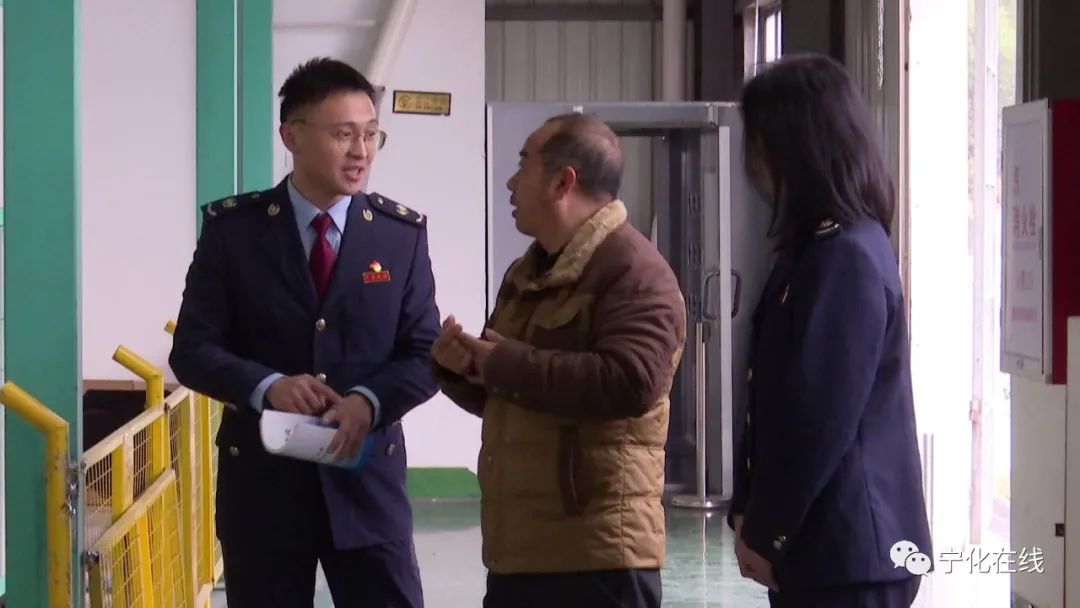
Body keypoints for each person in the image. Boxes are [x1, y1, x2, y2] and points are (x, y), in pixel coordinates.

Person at [169, 57, 439, 607]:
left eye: (371, 134)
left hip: (368, 488)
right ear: (291, 136)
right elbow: (193, 349)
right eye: (343, 134)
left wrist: (368, 402)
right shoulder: (234, 233)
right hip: (264, 491)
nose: (361, 151)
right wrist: (267, 386)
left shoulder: (398, 236)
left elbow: (424, 351)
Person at [430, 113, 687, 608]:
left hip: (597, 557)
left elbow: (630, 382)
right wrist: (462, 370)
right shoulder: (526, 273)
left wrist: (503, 364)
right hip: (520, 550)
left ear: (562, 182)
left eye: (523, 165)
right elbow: (516, 397)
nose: (510, 183)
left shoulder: (634, 271)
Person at [727, 53, 932, 607]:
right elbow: (772, 403)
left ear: (798, 147)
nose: (754, 162)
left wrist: (767, 528)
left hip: (852, 553)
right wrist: (747, 509)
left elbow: (818, 417)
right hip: (824, 549)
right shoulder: (815, 251)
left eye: (761, 143)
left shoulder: (845, 256)